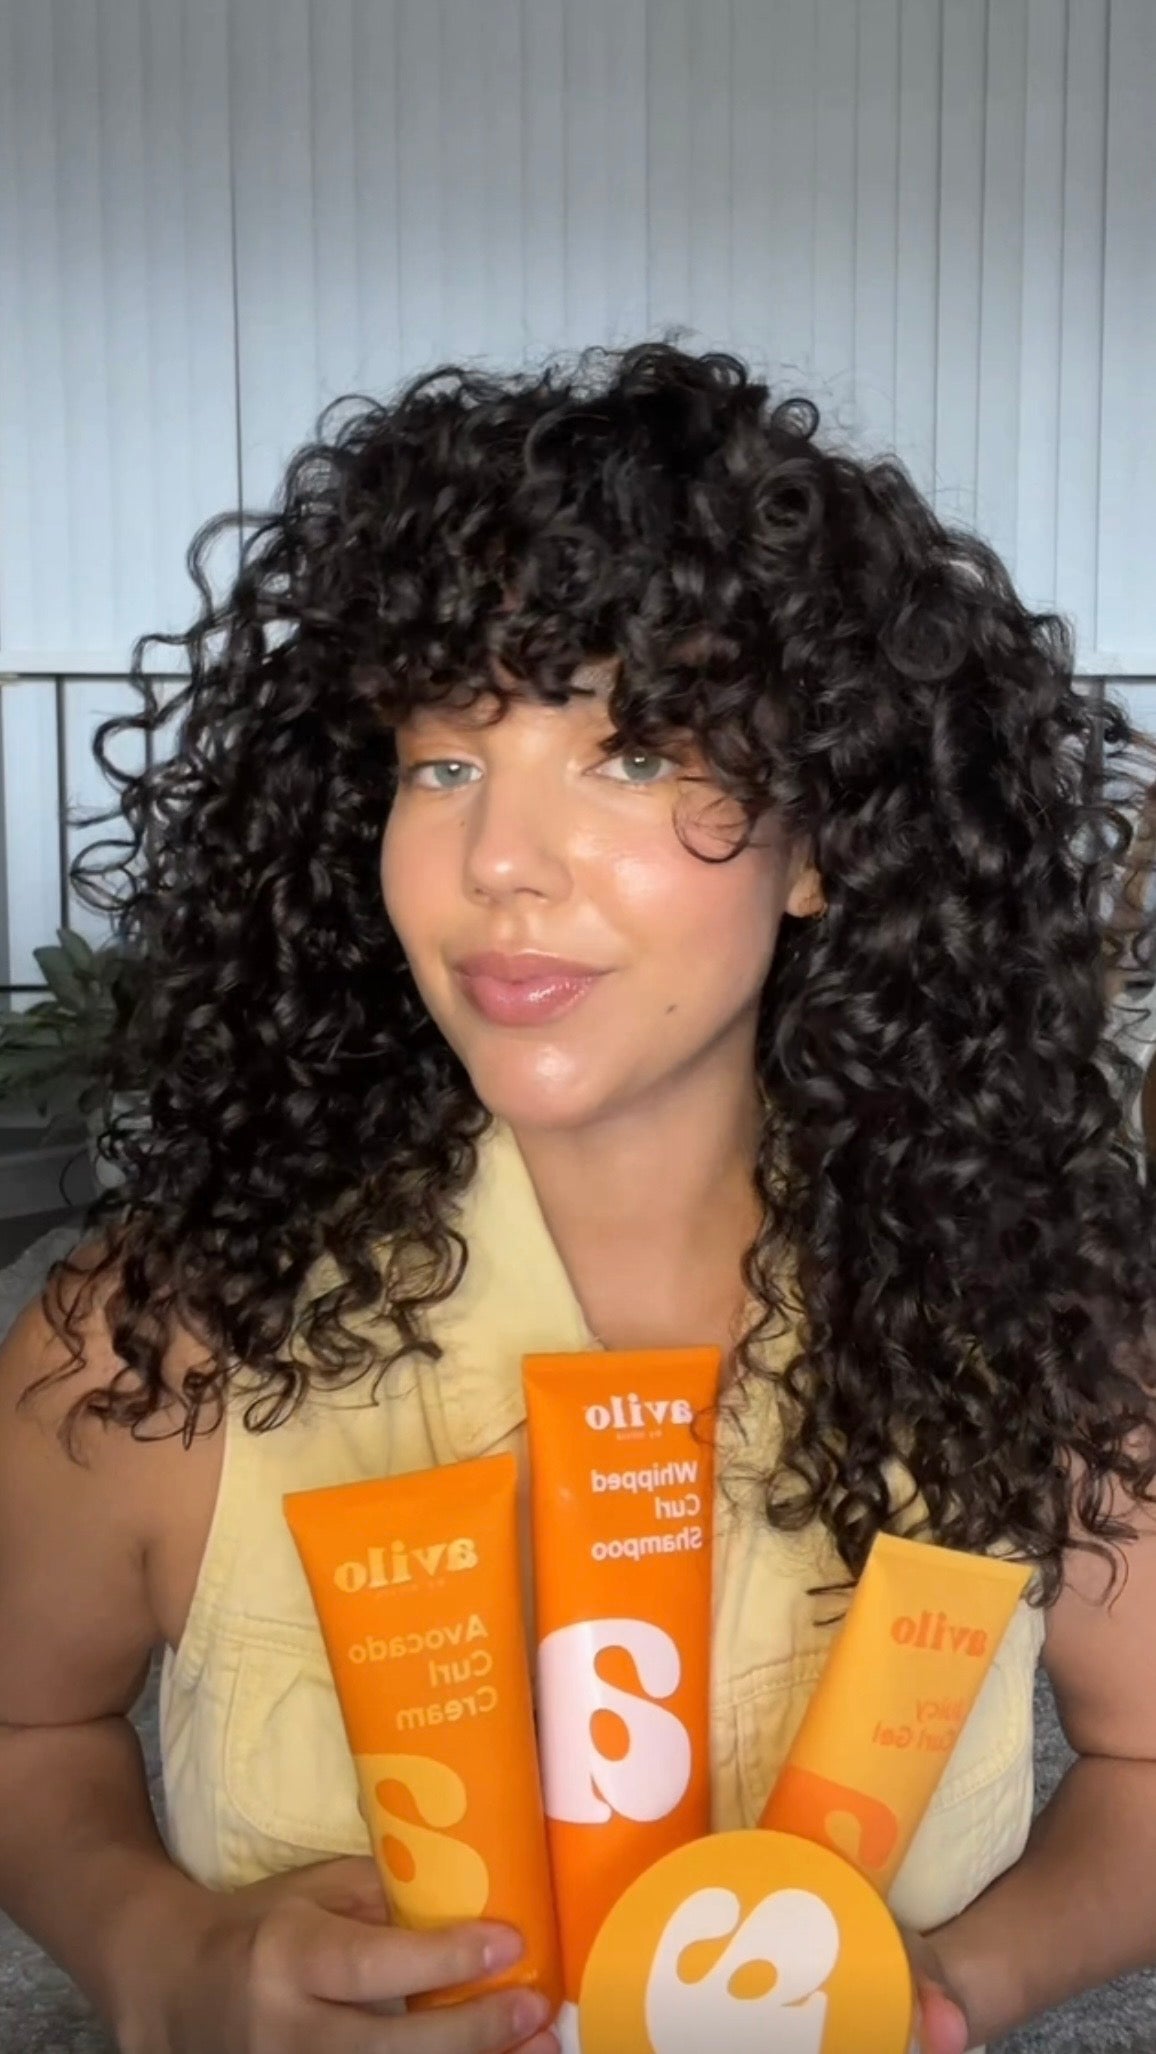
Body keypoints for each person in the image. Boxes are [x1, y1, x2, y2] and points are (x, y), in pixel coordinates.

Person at [0, 342, 1154, 2054]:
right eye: (442, 762)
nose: (499, 861)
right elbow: (28, 1731)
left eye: (630, 752)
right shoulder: (155, 1340)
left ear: (820, 840)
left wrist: (954, 1989)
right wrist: (157, 1955)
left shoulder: (1028, 1326)